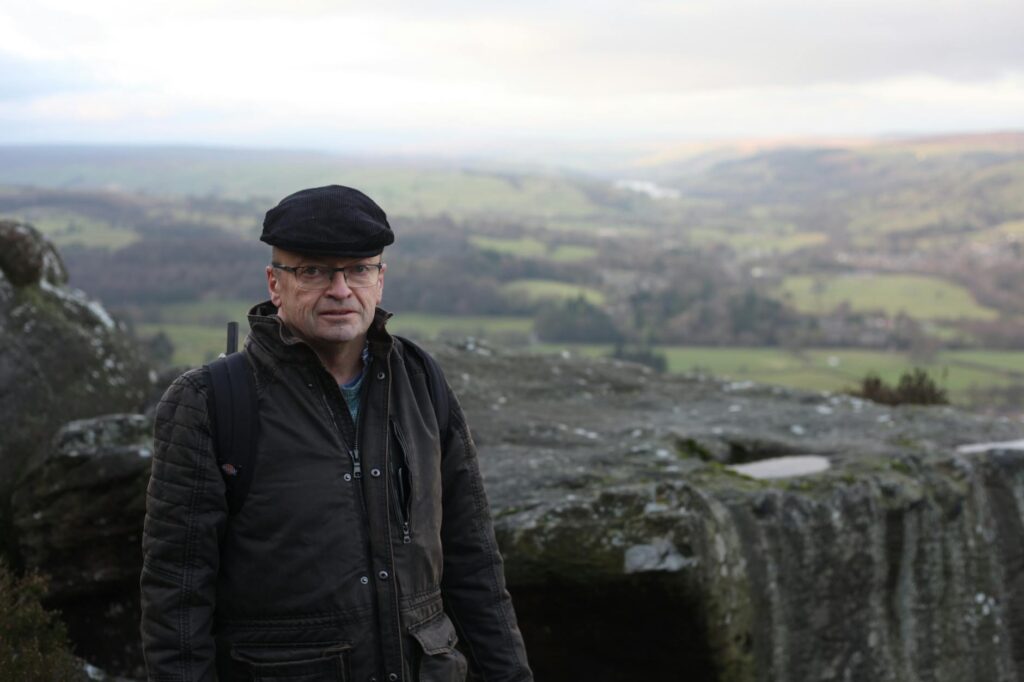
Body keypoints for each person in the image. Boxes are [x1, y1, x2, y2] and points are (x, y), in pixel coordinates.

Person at [140, 185, 533, 682]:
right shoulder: (209, 403)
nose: (341, 289)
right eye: (314, 270)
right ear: (274, 283)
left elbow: (473, 561)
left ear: (380, 280)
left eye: (359, 270)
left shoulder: (421, 382)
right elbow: (176, 599)